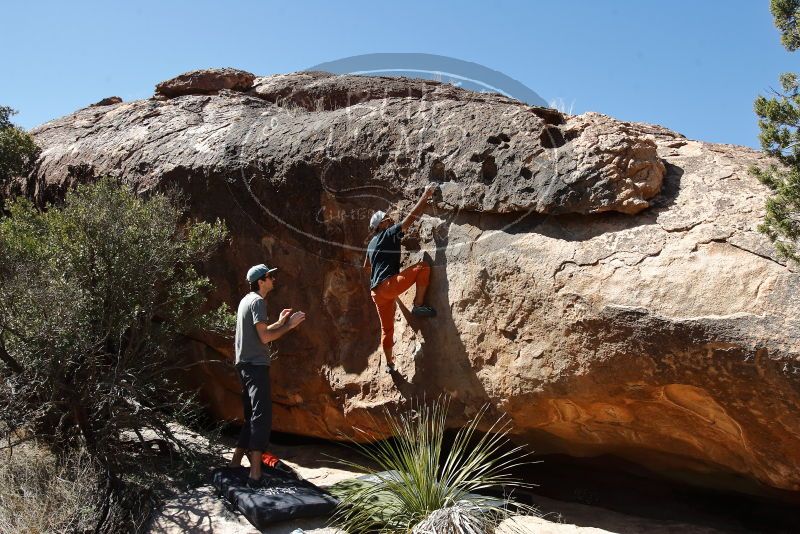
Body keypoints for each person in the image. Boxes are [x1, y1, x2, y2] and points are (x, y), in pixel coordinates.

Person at [228, 263, 306, 488]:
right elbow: (264, 338)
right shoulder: (258, 302)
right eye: (270, 276)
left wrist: (280, 322)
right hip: (255, 365)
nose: (273, 279)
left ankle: (235, 462)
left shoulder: (246, 300)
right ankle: (255, 474)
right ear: (261, 281)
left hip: (244, 366)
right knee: (261, 416)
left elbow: (259, 331)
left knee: (251, 415)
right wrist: (290, 326)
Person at [364, 183, 438, 374]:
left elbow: (366, 266)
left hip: (376, 293)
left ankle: (389, 365)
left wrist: (380, 275)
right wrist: (426, 195)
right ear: (380, 225)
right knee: (423, 267)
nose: (388, 219)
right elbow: (411, 218)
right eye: (385, 219)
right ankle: (419, 304)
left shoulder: (371, 244)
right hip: (388, 286)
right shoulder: (388, 234)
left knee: (386, 330)